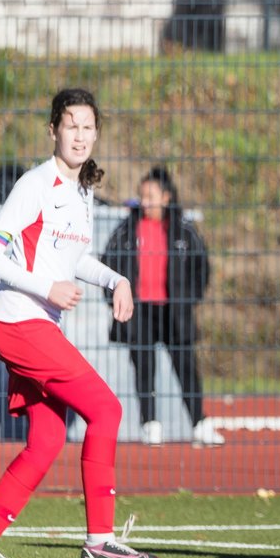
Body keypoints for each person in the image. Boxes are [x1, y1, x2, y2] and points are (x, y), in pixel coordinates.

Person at [0, 87, 159, 558]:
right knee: (106, 410)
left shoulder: (82, 190)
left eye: (89, 127)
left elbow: (74, 258)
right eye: (72, 125)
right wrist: (47, 287)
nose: (80, 135)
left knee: (47, 441)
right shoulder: (35, 184)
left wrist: (117, 279)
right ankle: (101, 539)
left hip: (33, 324)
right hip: (17, 322)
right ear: (53, 130)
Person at [101, 165, 223, 448]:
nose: (145, 201)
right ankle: (150, 424)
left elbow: (200, 267)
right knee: (143, 367)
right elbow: (109, 263)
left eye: (151, 195)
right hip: (140, 311)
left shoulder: (183, 230)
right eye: (142, 195)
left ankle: (199, 423)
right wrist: (116, 299)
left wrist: (188, 299)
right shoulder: (127, 229)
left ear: (166, 197)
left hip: (173, 311)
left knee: (186, 367)